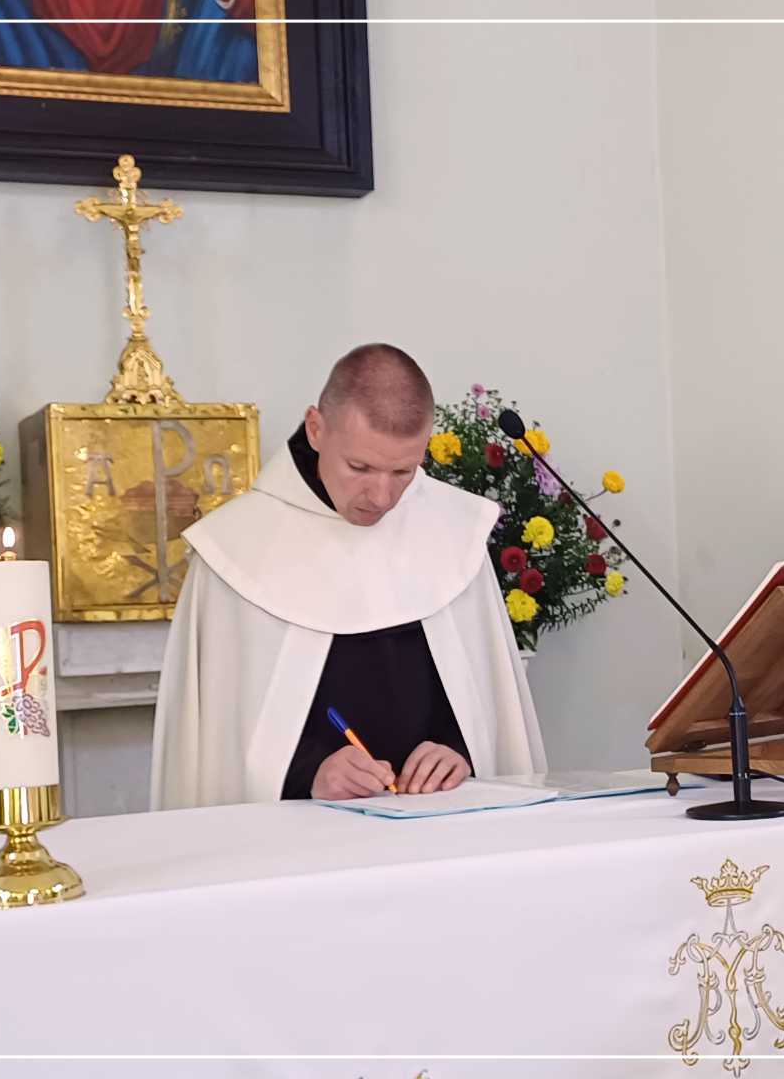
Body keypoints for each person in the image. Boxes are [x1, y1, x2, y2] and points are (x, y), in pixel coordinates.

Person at [151, 344, 547, 810]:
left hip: (438, 817)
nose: (381, 497)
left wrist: (459, 751)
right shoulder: (234, 549)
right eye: (360, 467)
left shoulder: (454, 531)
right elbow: (219, 737)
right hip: (296, 828)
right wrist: (308, 772)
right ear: (316, 429)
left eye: (403, 471)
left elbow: (485, 700)